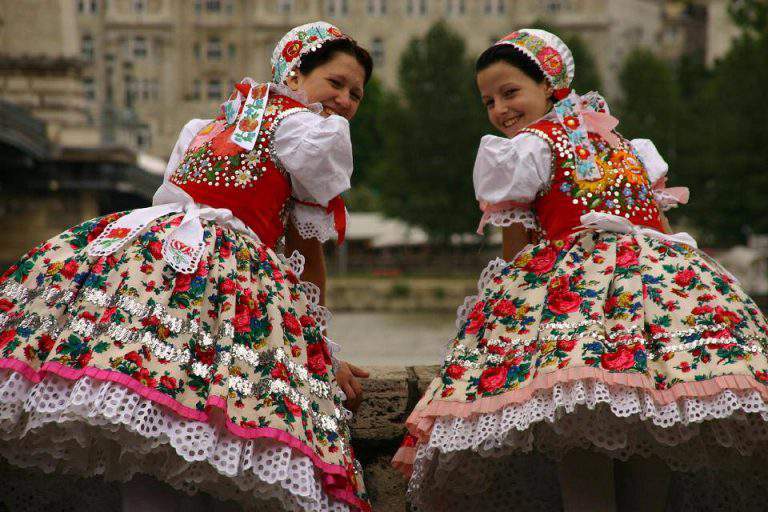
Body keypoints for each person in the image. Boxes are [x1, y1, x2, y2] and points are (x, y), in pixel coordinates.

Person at [0, 21, 372, 512]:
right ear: (294, 77)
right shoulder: (308, 133)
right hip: (225, 279)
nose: (345, 99)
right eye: (336, 83)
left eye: (356, 93)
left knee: (156, 409)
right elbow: (308, 261)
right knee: (214, 422)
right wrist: (321, 350)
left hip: (157, 269)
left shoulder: (208, 125)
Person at [393, 28, 768, 511]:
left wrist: (506, 323)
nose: (499, 110)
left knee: (583, 419)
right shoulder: (622, 142)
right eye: (488, 101)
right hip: (658, 292)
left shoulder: (535, 146)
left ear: (549, 84)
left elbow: (517, 253)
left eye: (510, 93)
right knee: (654, 420)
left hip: (598, 292)